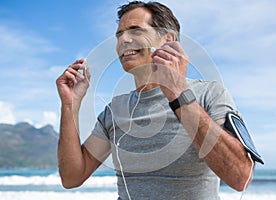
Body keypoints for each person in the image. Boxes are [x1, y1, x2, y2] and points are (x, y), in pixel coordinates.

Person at [56, 1, 254, 199]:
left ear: (168, 39)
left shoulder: (210, 94)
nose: (123, 40)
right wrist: (69, 105)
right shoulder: (114, 111)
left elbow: (240, 177)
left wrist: (177, 93)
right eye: (119, 35)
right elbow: (72, 177)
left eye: (135, 30)